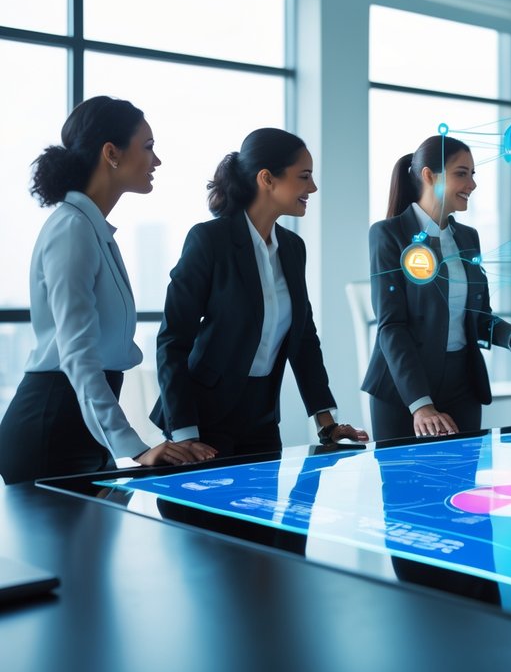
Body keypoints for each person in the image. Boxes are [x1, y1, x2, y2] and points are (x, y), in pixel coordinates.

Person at [0, 97, 215, 484]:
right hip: (51, 429)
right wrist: (134, 448)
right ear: (111, 153)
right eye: (148, 147)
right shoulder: (73, 229)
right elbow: (79, 358)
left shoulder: (90, 228)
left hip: (81, 427)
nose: (157, 160)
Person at [153, 128, 366, 457]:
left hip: (262, 419)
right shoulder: (209, 241)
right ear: (267, 179)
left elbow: (304, 339)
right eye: (304, 176)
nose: (313, 187)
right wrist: (184, 433)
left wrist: (327, 423)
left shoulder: (293, 248)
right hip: (202, 420)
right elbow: (173, 340)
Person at [362, 135, 511, 439]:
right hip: (403, 392)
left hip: (462, 388)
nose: (472, 184)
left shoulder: (468, 238)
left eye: (473, 174)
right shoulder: (389, 234)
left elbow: (479, 319)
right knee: (404, 486)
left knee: (463, 484)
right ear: (429, 175)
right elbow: (391, 326)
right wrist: (421, 405)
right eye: (461, 173)